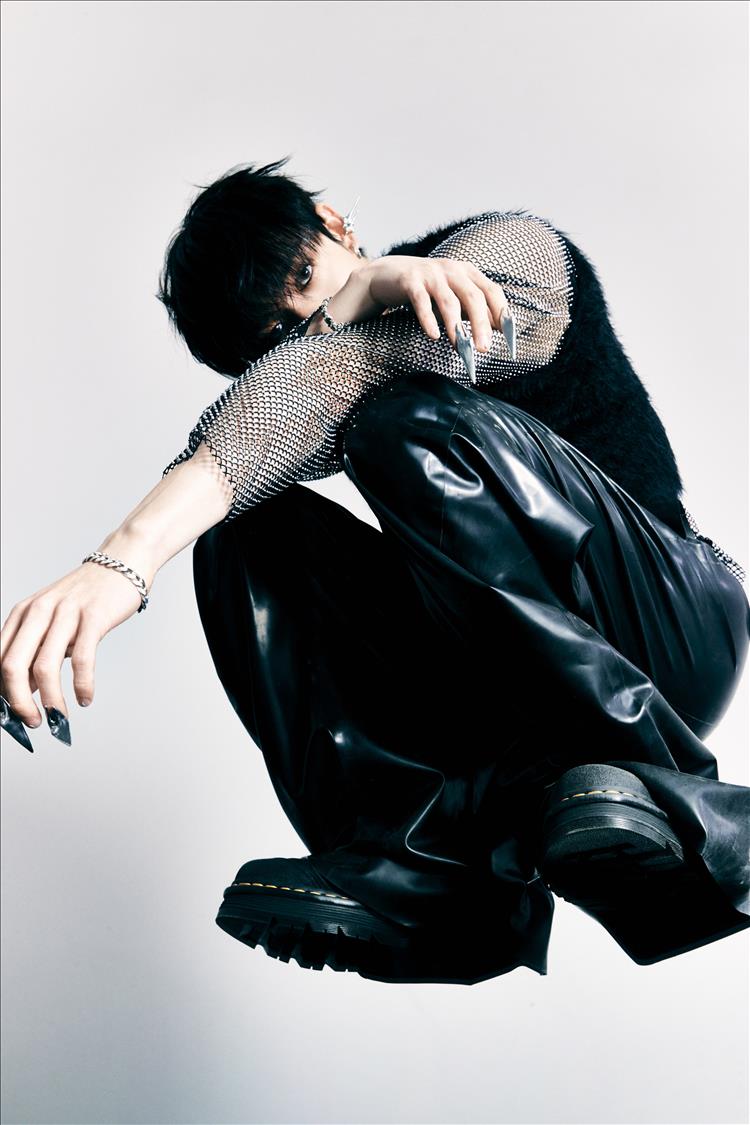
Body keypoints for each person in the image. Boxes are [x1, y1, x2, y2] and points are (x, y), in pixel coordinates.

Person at [1, 156, 748, 987]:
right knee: (244, 529)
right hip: (522, 695)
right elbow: (319, 383)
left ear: (335, 224)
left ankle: (686, 803)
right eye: (282, 336)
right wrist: (122, 561)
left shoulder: (513, 251)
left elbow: (354, 369)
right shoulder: (326, 369)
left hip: (674, 624)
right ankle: (424, 872)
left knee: (403, 421)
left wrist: (123, 560)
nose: (314, 323)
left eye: (305, 279)